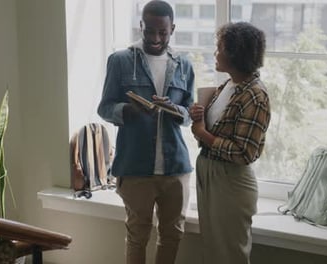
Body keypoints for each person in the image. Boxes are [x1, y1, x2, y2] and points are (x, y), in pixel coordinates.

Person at [97, 1, 194, 263]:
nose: (155, 38)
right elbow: (104, 108)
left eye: (162, 32)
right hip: (135, 167)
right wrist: (127, 111)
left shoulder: (184, 65)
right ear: (141, 25)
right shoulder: (119, 61)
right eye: (149, 31)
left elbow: (189, 115)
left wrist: (175, 109)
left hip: (176, 168)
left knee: (172, 236)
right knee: (137, 236)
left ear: (172, 28)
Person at [189, 22, 271, 264]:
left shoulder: (255, 95)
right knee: (214, 253)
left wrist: (203, 133)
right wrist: (199, 119)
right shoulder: (229, 86)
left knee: (230, 255)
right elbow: (213, 132)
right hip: (211, 173)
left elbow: (245, 152)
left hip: (230, 181)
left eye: (220, 48)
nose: (215, 53)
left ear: (235, 53)